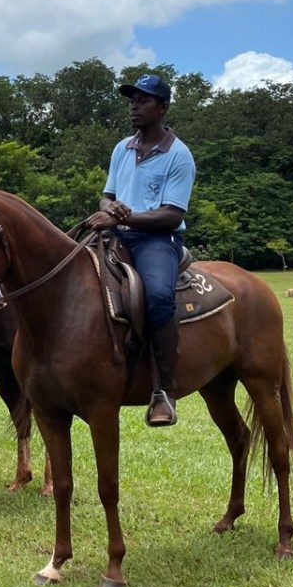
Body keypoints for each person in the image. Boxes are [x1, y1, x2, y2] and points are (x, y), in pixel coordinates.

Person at [84, 74, 196, 427]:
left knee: (159, 297)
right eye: (132, 100)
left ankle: (164, 390)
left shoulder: (179, 155)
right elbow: (108, 193)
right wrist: (108, 207)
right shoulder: (122, 148)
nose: (134, 106)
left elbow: (172, 214)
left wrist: (128, 216)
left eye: (143, 100)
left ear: (162, 108)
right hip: (116, 232)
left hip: (157, 240)